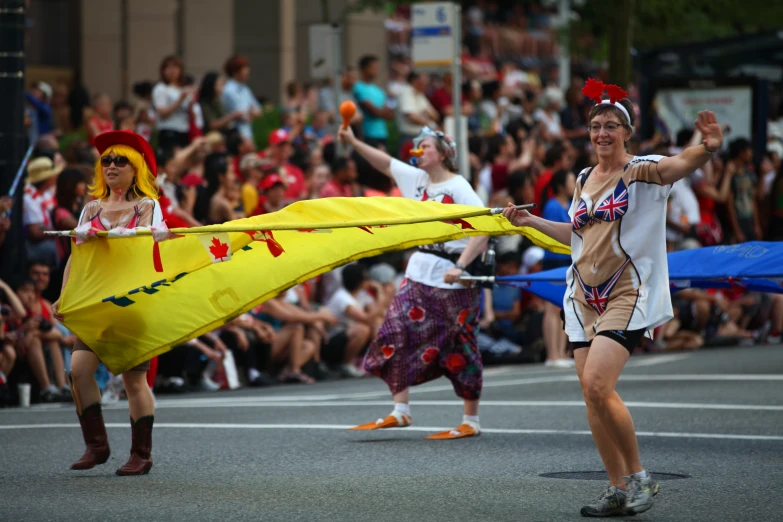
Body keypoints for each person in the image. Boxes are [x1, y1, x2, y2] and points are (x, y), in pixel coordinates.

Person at [501, 79, 724, 516]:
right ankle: (617, 487)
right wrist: (529, 222)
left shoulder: (642, 169)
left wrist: (708, 148)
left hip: (627, 291)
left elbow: (678, 165)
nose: (602, 133)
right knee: (590, 392)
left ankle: (640, 478)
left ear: (627, 132)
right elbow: (575, 235)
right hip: (582, 295)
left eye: (611, 126)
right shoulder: (584, 177)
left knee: (599, 385)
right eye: (596, 126)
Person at [338, 124, 489, 440]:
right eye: (417, 147)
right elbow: (383, 163)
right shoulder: (417, 179)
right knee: (394, 330)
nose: (418, 152)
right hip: (419, 272)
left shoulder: (460, 187)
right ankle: (401, 410)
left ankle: (470, 419)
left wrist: (460, 267)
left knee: (461, 345)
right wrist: (353, 140)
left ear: (444, 153)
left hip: (454, 281)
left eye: (426, 147)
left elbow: (483, 230)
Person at [53, 130, 164, 476]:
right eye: (106, 161)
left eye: (120, 161)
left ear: (136, 169)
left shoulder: (148, 206)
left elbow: (148, 248)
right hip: (96, 303)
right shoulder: (90, 208)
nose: (111, 166)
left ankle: (141, 455)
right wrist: (64, 293)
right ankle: (97, 446)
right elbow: (77, 255)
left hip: (133, 302)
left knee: (134, 380)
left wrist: (120, 236)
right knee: (79, 371)